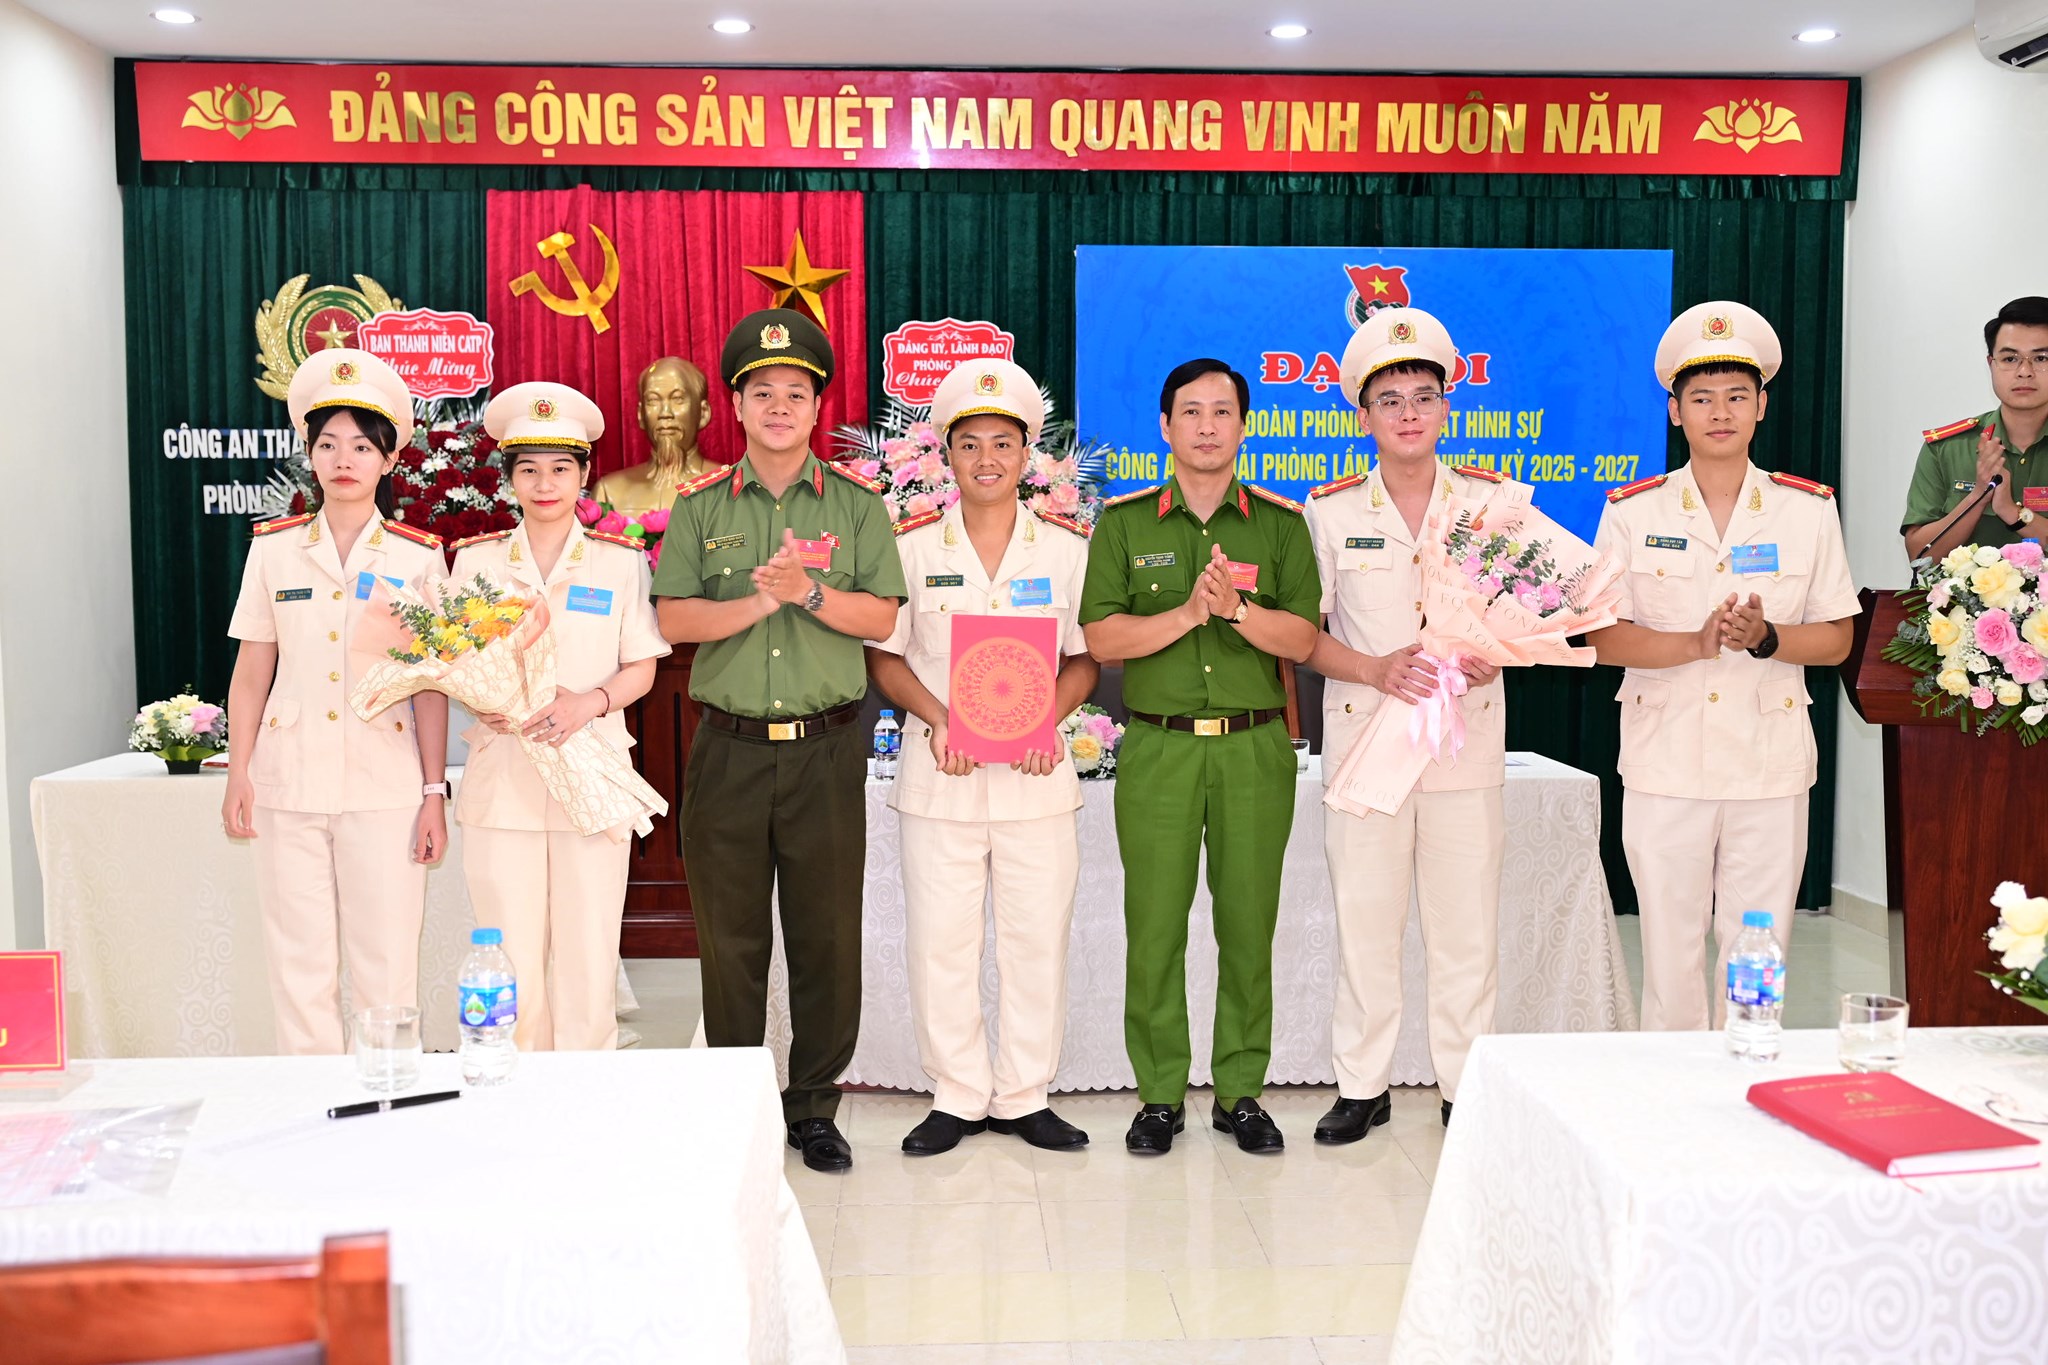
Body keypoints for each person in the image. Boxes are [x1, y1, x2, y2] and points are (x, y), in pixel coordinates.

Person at [650, 308, 906, 1173]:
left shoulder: (857, 506)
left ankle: (814, 1106)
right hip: (726, 749)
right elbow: (674, 618)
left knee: (826, 936)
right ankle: (737, 1103)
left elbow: (881, 617)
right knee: (731, 941)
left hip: (824, 752)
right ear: (735, 404)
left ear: (818, 404)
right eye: (762, 392)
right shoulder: (700, 507)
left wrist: (809, 594)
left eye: (796, 392)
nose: (780, 406)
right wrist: (761, 599)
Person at [1588, 302, 1858, 1031]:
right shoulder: (1633, 512)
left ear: (1761, 406)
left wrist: (1767, 638)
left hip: (1768, 766)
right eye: (1702, 398)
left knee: (1758, 948)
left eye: (1737, 396)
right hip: (1665, 762)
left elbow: (1837, 638)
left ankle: (1750, 1066)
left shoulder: (1807, 511)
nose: (1720, 412)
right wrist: (1693, 643)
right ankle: (1674, 1087)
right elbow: (1602, 637)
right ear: (1674, 411)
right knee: (1669, 949)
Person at [1079, 357, 1320, 1156]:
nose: (1208, 426)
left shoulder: (1280, 524)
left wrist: (1238, 611)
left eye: (1223, 411)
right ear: (1165, 426)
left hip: (1253, 747)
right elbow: (1102, 638)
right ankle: (1158, 1094)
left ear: (1244, 426)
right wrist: (1188, 614)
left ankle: (1241, 1091)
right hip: (1160, 747)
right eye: (1191, 411)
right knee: (1154, 926)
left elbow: (1304, 638)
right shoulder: (1125, 524)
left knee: (1248, 924)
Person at [865, 358, 1101, 1156]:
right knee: (942, 940)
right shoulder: (910, 548)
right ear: (947, 455)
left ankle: (1025, 1093)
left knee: (1036, 939)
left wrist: (1044, 719)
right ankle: (958, 1093)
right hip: (943, 775)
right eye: (970, 444)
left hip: (1036, 777)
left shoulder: (1066, 550)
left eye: (1004, 443)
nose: (988, 459)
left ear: (1028, 453)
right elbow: (886, 656)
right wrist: (939, 718)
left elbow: (1085, 658)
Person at [1303, 308, 1528, 1137]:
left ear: (1446, 408)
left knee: (1466, 927)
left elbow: (1529, 610)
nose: (1407, 413)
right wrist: (1372, 665)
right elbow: (1308, 634)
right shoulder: (1328, 511)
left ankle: (1465, 1085)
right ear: (1362, 416)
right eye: (1389, 399)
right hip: (1370, 743)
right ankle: (1361, 1084)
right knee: (1366, 921)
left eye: (1423, 397)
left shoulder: (1494, 502)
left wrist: (1499, 651)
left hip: (1464, 741)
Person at [221, 349, 450, 1055]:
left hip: (385, 785)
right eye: (327, 444)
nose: (342, 459)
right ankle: (309, 1103)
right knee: (300, 967)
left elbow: (431, 685)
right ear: (310, 456)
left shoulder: (418, 557)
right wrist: (238, 771)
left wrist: (433, 791)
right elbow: (252, 671)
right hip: (288, 783)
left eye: (360, 446)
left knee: (387, 963)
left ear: (388, 459)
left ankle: (388, 1095)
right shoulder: (274, 550)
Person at [449, 381, 670, 1052]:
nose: (545, 484)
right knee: (508, 954)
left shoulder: (619, 562)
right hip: (505, 778)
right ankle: (513, 1088)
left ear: (583, 475)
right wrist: (481, 697)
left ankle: (587, 1088)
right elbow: (451, 661)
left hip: (592, 774)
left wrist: (589, 702)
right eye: (529, 469)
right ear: (510, 478)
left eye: (560, 469)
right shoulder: (477, 561)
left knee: (588, 951)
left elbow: (642, 667)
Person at [1901, 296, 2048, 564]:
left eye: (2041, 357)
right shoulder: (1946, 448)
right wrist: (1979, 496)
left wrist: (2011, 512)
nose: (2024, 371)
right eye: (2010, 358)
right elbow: (1920, 556)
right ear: (1991, 364)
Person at [593, 356, 717, 514]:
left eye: (678, 399)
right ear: (640, 414)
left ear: (703, 413)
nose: (665, 413)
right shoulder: (609, 493)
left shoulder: (729, 487)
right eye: (653, 400)